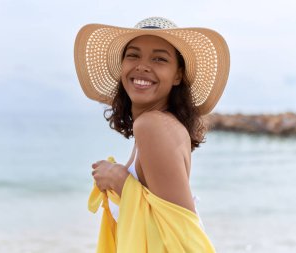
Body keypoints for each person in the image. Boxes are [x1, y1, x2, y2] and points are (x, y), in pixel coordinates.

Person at [74, 17, 230, 253]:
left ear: (178, 75)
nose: (143, 66)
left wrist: (118, 179)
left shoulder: (151, 126)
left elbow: (182, 236)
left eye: (159, 59)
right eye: (133, 55)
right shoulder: (158, 125)